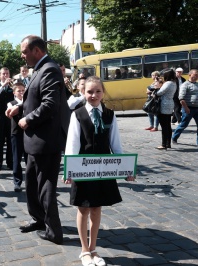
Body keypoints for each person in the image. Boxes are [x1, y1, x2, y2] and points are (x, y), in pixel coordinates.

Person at [6, 35, 71, 245]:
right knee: (32, 183)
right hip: (35, 140)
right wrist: (20, 107)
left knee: (46, 188)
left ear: (37, 51)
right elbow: (34, 97)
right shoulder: (40, 69)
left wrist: (27, 119)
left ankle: (54, 231)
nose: (22, 56)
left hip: (46, 140)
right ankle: (39, 219)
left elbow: (50, 104)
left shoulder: (50, 68)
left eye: (25, 51)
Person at [64, 76, 135, 266]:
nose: (93, 95)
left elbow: (116, 144)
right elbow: (72, 144)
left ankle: (93, 248)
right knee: (83, 207)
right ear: (83, 93)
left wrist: (126, 168)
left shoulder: (110, 115)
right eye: (89, 92)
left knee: (96, 208)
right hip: (83, 168)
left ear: (103, 93)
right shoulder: (77, 114)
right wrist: (69, 170)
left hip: (103, 169)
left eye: (97, 91)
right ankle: (84, 250)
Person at [0, 67, 14, 172]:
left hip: (10, 116)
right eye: (3, 74)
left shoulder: (12, 85)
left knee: (10, 140)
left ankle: (10, 162)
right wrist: (3, 85)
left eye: (7, 73)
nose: (5, 75)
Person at [7, 80, 27, 192]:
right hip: (16, 133)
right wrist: (25, 103)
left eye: (23, 91)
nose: (21, 93)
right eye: (19, 91)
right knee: (16, 159)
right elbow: (11, 111)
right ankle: (17, 182)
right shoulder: (11, 103)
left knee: (29, 159)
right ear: (14, 93)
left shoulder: (29, 101)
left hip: (28, 133)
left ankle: (30, 181)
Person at [172, 69, 198, 146]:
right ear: (190, 75)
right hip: (188, 108)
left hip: (197, 108)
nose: (196, 76)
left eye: (197, 75)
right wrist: (186, 108)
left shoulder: (197, 84)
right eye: (195, 74)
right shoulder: (185, 85)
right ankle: (174, 137)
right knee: (183, 124)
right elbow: (181, 98)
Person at [155, 69, 177, 150]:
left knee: (164, 126)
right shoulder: (174, 83)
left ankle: (163, 144)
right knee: (168, 125)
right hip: (170, 104)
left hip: (164, 105)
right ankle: (168, 143)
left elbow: (159, 93)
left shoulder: (168, 83)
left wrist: (157, 87)